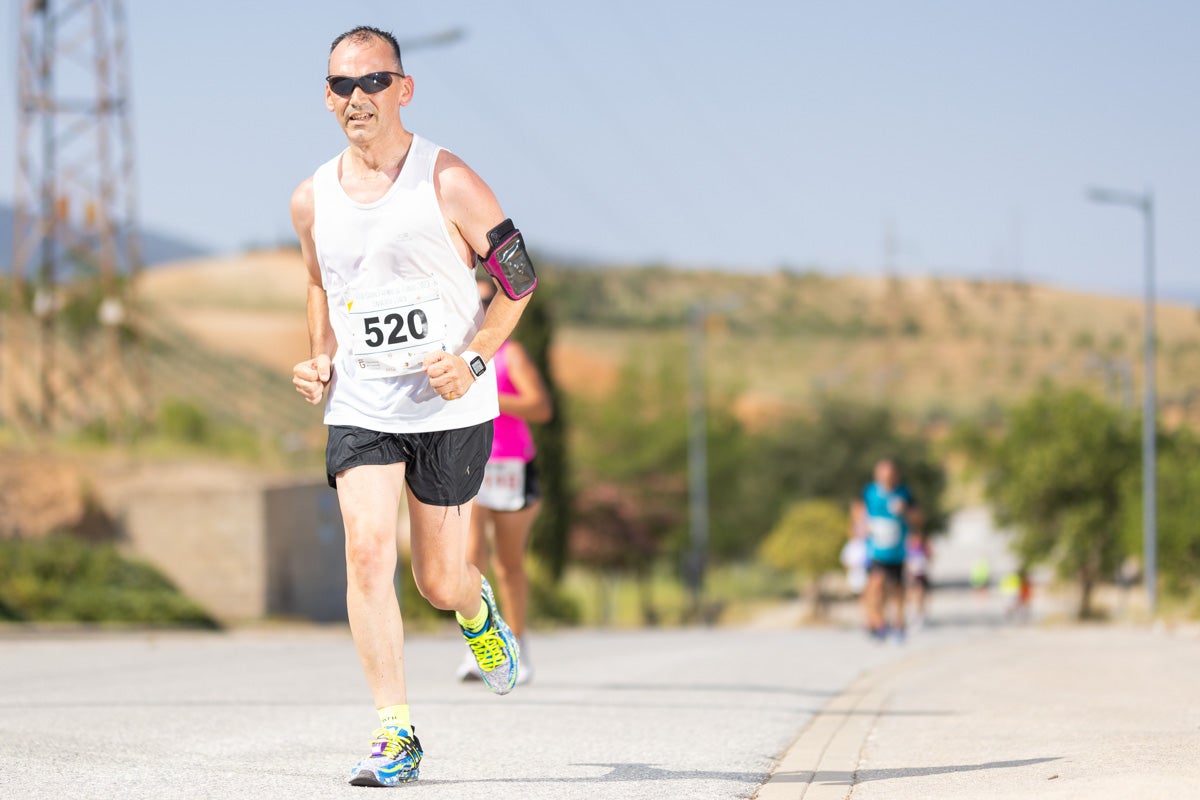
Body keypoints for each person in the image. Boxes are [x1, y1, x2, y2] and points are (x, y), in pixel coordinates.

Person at [290, 25, 538, 787]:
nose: (357, 97)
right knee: (367, 552)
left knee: (437, 580)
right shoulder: (311, 198)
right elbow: (320, 286)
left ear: (404, 88)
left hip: (447, 407)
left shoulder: (449, 180)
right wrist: (321, 355)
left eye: (373, 81)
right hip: (363, 404)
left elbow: (521, 280)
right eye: (342, 85)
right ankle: (394, 731)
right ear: (326, 97)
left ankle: (476, 609)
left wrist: (474, 359)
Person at [458, 278, 553, 685]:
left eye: (487, 299)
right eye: (474, 300)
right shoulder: (454, 354)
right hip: (469, 463)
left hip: (511, 467)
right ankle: (478, 647)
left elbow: (541, 406)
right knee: (470, 557)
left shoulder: (511, 354)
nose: (480, 307)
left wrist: (491, 398)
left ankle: (519, 644)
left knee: (508, 563)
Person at [861, 459, 919, 642]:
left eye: (890, 475)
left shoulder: (904, 493)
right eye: (883, 475)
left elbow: (918, 517)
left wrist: (905, 511)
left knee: (898, 588)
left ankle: (899, 624)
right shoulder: (869, 492)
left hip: (897, 551)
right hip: (876, 549)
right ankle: (877, 622)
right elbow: (858, 510)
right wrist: (861, 527)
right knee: (875, 584)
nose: (886, 478)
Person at [905, 528, 933, 628]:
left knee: (921, 594)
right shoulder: (908, 547)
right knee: (910, 594)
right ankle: (910, 613)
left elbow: (930, 558)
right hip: (911, 574)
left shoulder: (923, 547)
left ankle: (920, 614)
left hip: (921, 574)